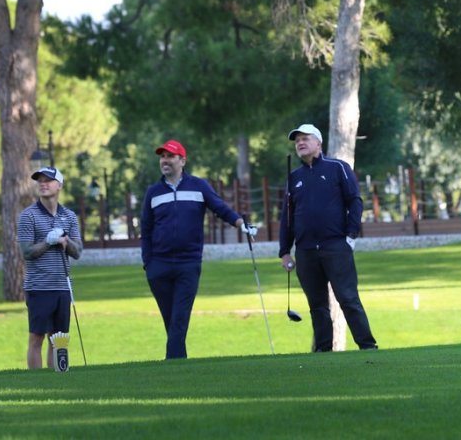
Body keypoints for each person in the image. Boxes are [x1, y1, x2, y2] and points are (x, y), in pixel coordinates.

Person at [140, 139, 254, 359]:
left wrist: (240, 223)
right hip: (158, 266)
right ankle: (178, 365)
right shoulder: (153, 192)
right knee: (171, 319)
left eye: (170, 156)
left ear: (182, 160)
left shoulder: (198, 186)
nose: (165, 160)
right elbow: (146, 229)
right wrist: (148, 263)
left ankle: (172, 363)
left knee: (180, 317)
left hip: (188, 263)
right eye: (162, 157)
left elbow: (220, 208)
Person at [278, 124, 378, 352]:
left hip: (335, 246)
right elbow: (288, 216)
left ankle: (367, 346)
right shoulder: (294, 177)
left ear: (318, 143)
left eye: (305, 138)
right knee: (317, 306)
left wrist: (351, 236)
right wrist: (285, 250)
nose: (300, 143)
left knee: (348, 298)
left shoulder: (337, 168)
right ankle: (324, 353)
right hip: (305, 250)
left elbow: (355, 201)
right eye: (297, 141)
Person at [18, 165, 83, 369]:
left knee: (59, 339)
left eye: (48, 180)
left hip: (63, 287)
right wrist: (48, 242)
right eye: (40, 180)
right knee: (37, 337)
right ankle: (37, 383)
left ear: (59, 185)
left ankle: (57, 379)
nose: (43, 184)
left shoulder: (69, 216)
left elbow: (77, 251)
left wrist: (65, 242)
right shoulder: (28, 216)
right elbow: (26, 252)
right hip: (39, 287)